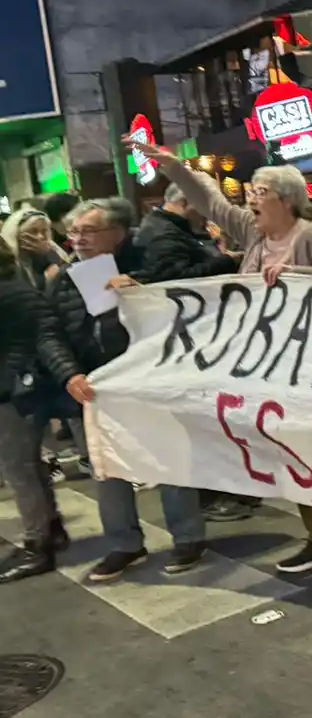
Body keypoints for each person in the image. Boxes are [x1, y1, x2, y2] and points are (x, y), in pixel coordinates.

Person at [124, 136, 312, 577]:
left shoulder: (310, 235)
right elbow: (209, 200)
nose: (251, 199)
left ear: (288, 201)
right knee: (293, 454)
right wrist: (172, 166)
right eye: (251, 192)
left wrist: (298, 273)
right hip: (269, 367)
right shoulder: (253, 233)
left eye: (262, 193)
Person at [48, 198, 209, 581]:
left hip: (148, 383)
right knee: (107, 469)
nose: (79, 240)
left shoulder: (146, 266)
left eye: (89, 232)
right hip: (95, 388)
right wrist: (69, 373)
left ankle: (188, 538)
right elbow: (51, 332)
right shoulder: (65, 280)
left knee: (168, 458)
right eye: (74, 233)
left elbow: (185, 310)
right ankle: (124, 544)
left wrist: (143, 292)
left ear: (117, 234)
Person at [0, 236, 89, 584]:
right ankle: (49, 529)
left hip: (13, 391)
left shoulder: (8, 293)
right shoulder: (17, 288)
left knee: (19, 469)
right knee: (27, 465)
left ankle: (38, 544)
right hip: (26, 386)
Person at [136, 185, 240, 283]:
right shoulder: (163, 233)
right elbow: (178, 278)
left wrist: (213, 245)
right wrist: (226, 261)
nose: (207, 214)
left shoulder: (168, 224)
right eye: (204, 206)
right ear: (184, 203)